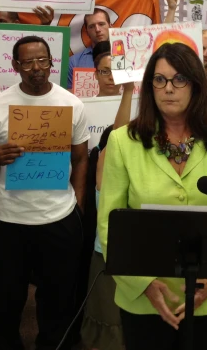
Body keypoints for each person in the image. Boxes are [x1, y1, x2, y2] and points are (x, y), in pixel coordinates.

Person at [98, 42, 207, 350]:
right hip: (142, 297)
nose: (169, 88)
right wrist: (142, 285)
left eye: (179, 79)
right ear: (150, 85)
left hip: (206, 296)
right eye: (159, 79)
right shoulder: (122, 142)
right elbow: (108, 224)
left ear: (196, 85)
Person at [0, 35, 89, 350]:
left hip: (58, 216)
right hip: (10, 218)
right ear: (15, 65)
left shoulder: (71, 104)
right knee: (8, 297)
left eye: (43, 61)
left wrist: (77, 205)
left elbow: (80, 158)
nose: (37, 68)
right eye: (28, 62)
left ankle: (52, 344)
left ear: (52, 62)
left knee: (57, 296)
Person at [81, 82, 135, 350]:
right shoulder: (106, 162)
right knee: (110, 324)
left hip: (139, 256)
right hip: (106, 255)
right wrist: (127, 92)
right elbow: (119, 133)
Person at [68, 8, 111, 89]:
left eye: (101, 24)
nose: (97, 30)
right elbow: (69, 96)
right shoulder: (74, 62)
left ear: (110, 26)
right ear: (87, 31)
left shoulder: (128, 58)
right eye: (91, 26)